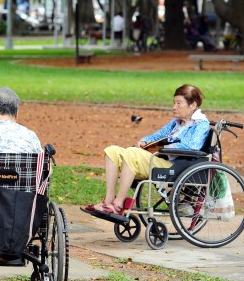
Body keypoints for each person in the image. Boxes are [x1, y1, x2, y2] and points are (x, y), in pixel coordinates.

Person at [86, 84, 210, 215]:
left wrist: (163, 147)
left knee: (132, 153)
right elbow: (157, 135)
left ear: (193, 105)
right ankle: (108, 200)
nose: (174, 107)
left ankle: (118, 204)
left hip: (176, 165)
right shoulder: (176, 122)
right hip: (163, 159)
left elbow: (192, 146)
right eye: (174, 102)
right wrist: (145, 140)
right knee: (112, 151)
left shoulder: (201, 124)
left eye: (179, 103)